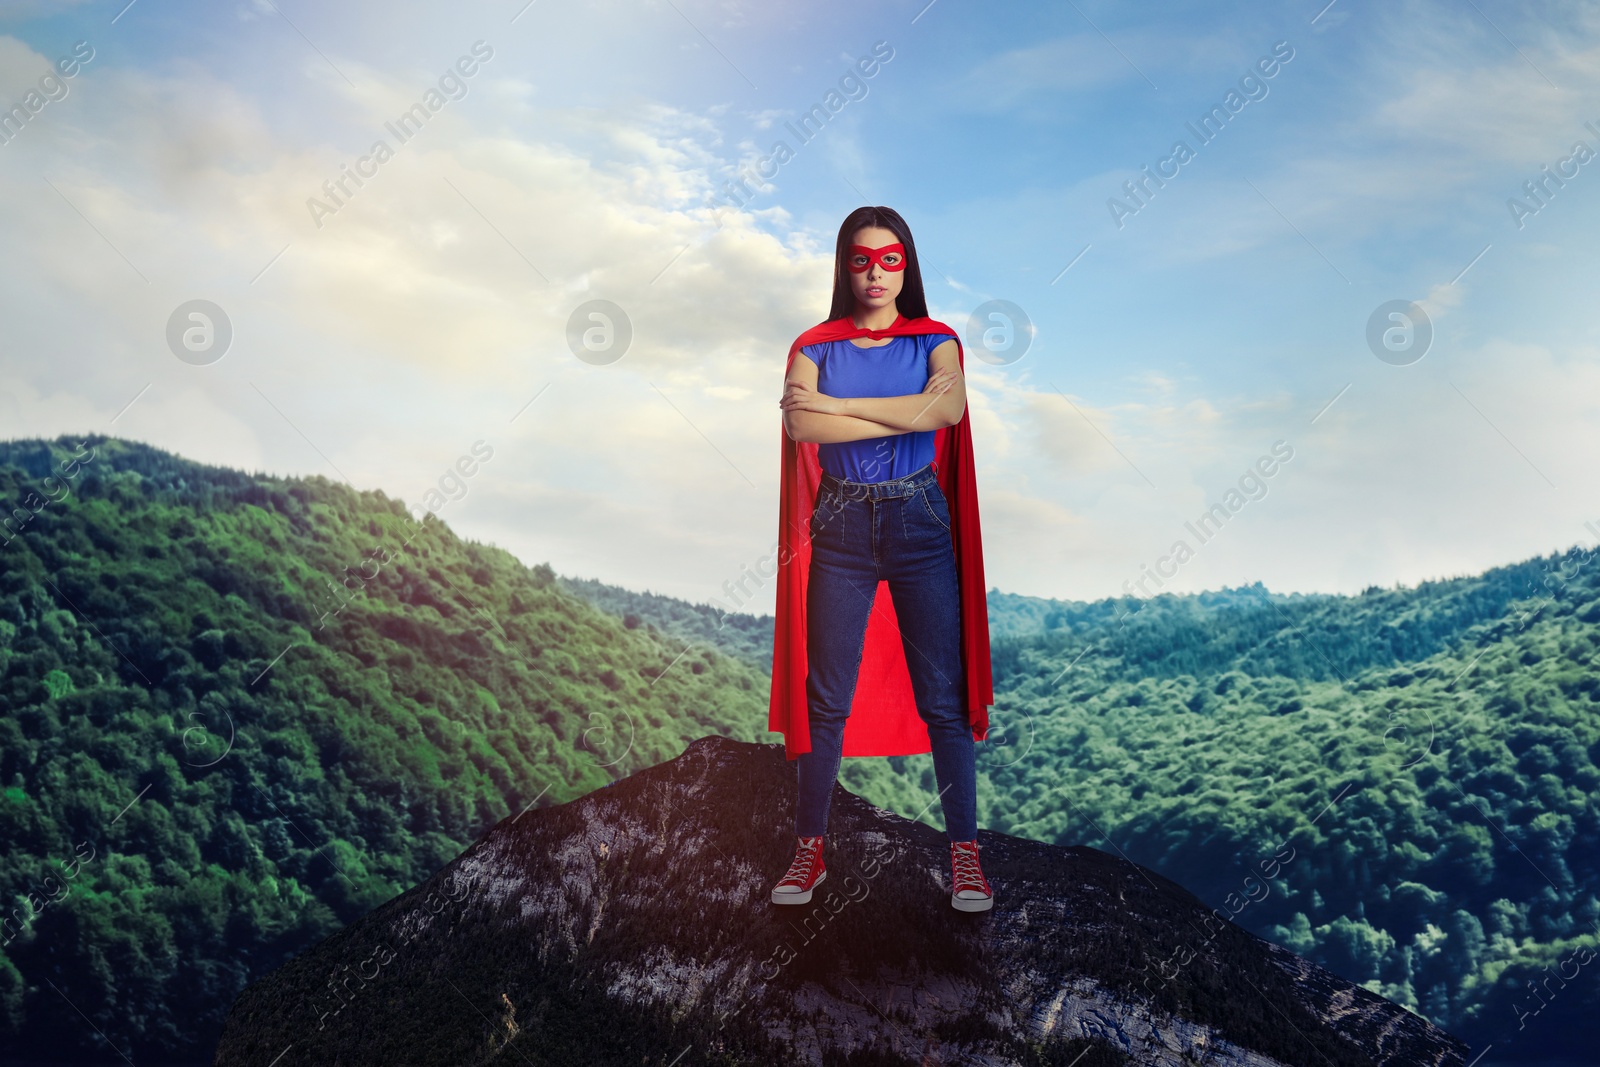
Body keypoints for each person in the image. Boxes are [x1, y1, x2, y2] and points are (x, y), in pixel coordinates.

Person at [768, 205, 996, 913]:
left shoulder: (939, 338)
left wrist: (842, 407)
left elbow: (947, 415)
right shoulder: (812, 343)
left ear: (908, 264)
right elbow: (801, 422)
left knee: (944, 698)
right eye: (861, 259)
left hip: (918, 517)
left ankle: (965, 857)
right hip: (838, 521)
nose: (875, 271)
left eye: (889, 258)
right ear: (844, 265)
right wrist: (901, 409)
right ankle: (810, 850)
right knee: (826, 695)